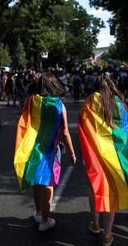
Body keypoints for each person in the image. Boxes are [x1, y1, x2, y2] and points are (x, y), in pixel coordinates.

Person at [78, 75, 128, 246]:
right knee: (111, 192)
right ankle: (107, 234)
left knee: (95, 187)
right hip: (116, 156)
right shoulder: (118, 104)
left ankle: (96, 223)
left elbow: (83, 127)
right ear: (113, 86)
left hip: (96, 154)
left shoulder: (89, 104)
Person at [14, 73, 76, 231]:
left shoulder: (32, 101)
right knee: (48, 183)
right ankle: (45, 221)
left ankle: (38, 212)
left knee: (36, 180)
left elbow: (24, 122)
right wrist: (72, 153)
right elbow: (66, 132)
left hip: (33, 147)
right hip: (51, 149)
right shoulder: (59, 105)